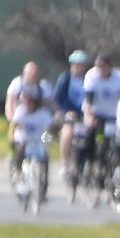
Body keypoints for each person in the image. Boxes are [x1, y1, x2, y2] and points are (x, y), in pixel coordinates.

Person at [51, 52, 92, 192]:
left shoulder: (89, 79)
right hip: (69, 115)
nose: (78, 68)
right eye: (75, 65)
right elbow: (57, 99)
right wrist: (64, 112)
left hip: (85, 115)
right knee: (68, 132)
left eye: (81, 65)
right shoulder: (65, 79)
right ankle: (65, 164)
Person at [8, 89, 55, 198]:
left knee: (45, 159)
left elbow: (51, 128)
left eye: (31, 102)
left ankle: (43, 187)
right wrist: (12, 136)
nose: (28, 104)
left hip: (38, 141)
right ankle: (18, 171)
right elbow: (14, 125)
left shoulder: (43, 114)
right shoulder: (21, 111)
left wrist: (51, 137)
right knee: (21, 149)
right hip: (24, 139)